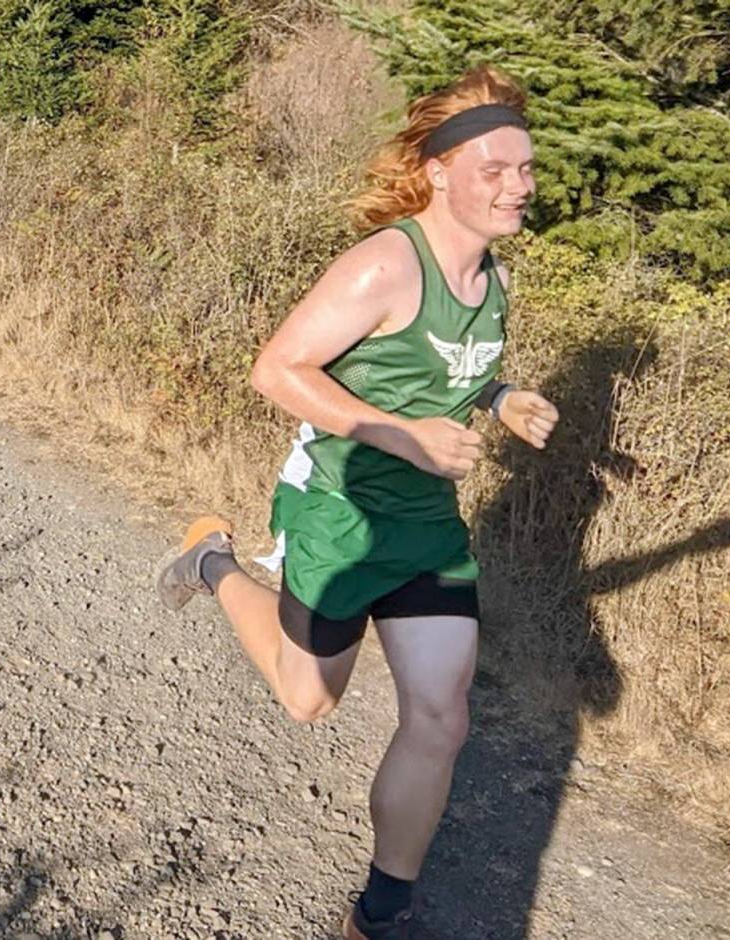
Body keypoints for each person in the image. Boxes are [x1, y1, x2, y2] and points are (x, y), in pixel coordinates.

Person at [156, 64, 559, 940]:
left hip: (425, 527)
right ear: (441, 170)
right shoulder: (383, 266)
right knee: (309, 701)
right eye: (495, 168)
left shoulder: (491, 279)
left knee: (442, 716)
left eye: (526, 168)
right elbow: (276, 369)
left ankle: (380, 911)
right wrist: (396, 434)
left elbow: (455, 369)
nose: (517, 185)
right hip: (340, 509)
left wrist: (501, 400)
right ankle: (211, 560)